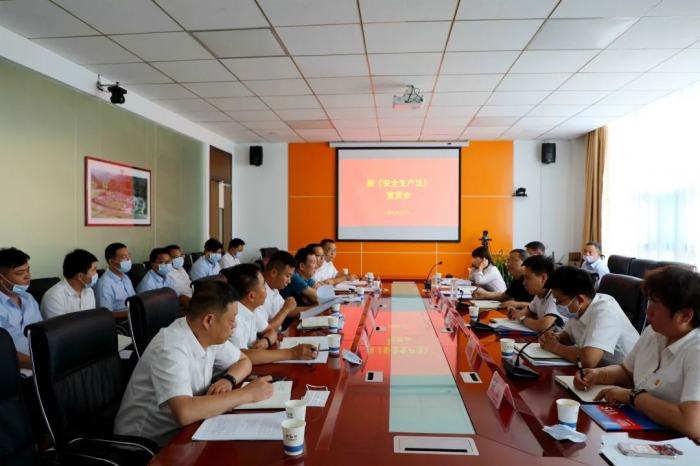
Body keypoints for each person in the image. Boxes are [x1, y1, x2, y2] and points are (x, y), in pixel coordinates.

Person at [114, 281, 274, 446]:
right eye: (231, 319)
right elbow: (185, 412)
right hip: (146, 446)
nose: (235, 325)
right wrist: (247, 394)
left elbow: (244, 361)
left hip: (188, 432)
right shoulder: (170, 348)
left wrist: (228, 380)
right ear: (208, 320)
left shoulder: (207, 335)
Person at [575, 266, 700, 438]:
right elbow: (627, 372)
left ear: (685, 315)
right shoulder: (654, 333)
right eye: (649, 302)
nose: (647, 311)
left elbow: (692, 424)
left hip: (677, 443)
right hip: (642, 427)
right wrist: (598, 374)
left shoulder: (696, 350)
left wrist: (633, 396)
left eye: (655, 305)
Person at [538, 266, 639, 367]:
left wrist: (555, 347)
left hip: (624, 374)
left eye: (560, 301)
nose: (557, 305)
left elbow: (588, 360)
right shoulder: (577, 309)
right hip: (597, 371)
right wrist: (555, 338)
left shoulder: (605, 312)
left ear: (580, 300)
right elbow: (568, 337)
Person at [223, 264, 317, 364]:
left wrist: (266, 341)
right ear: (251, 296)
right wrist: (292, 353)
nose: (266, 289)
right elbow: (242, 356)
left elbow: (270, 330)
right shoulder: (233, 318)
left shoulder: (253, 309)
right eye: (263, 285)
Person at [0, 247, 42, 369]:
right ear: (1, 279)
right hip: (16, 369)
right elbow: (3, 352)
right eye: (20, 273)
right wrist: (41, 365)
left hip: (43, 359)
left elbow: (43, 330)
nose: (28, 276)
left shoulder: (28, 298)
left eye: (28, 270)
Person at [507, 256, 566, 332]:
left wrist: (522, 318)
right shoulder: (539, 295)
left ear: (543, 278)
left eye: (527, 278)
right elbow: (525, 312)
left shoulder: (556, 295)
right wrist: (515, 312)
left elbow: (544, 325)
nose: (524, 283)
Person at [40, 249, 98, 320]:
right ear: (80, 276)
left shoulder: (89, 291)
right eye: (93, 270)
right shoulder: (54, 297)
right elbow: (59, 326)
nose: (96, 273)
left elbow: (93, 320)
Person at [260, 250, 300, 330]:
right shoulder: (259, 293)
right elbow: (266, 330)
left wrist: (315, 309)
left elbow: (289, 310)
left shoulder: (274, 289)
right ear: (274, 273)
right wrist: (285, 309)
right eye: (287, 276)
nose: (289, 281)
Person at [94, 242, 134, 321]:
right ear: (111, 262)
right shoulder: (104, 284)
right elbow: (105, 315)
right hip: (119, 324)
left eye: (129, 256)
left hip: (132, 319)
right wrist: (131, 313)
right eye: (124, 257)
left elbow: (134, 300)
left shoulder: (125, 277)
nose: (128, 260)